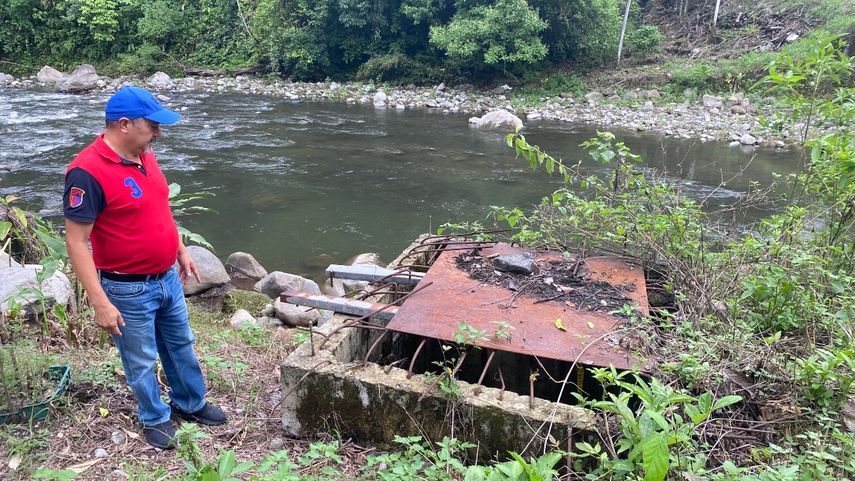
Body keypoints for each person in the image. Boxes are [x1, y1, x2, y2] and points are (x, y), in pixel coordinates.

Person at [63, 86, 227, 449]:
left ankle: (190, 403)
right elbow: (76, 242)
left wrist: (179, 249)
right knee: (140, 359)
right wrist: (100, 302)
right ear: (124, 124)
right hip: (127, 287)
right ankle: (154, 417)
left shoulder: (144, 155)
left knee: (180, 344)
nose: (158, 133)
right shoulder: (86, 172)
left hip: (167, 277)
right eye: (152, 125)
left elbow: (158, 206)